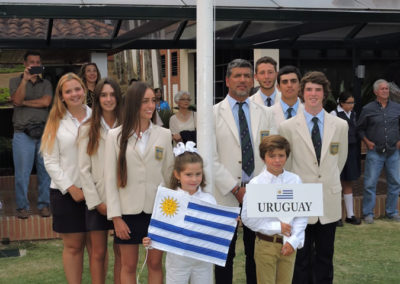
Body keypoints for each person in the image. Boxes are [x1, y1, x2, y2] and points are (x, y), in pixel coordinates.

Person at [279, 71, 348, 284]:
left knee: (325, 256)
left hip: (328, 199)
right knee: (301, 257)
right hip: (301, 199)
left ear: (324, 93)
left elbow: (340, 160)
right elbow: (286, 167)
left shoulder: (340, 125)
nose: (313, 94)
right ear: (302, 93)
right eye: (309, 89)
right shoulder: (287, 127)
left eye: (318, 89)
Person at [213, 58, 276, 284]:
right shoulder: (211, 114)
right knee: (224, 256)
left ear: (253, 80)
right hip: (224, 194)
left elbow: (273, 154)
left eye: (246, 76)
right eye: (237, 76)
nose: (242, 80)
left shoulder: (266, 114)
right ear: (228, 80)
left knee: (256, 254)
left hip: (259, 194)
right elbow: (209, 158)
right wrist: (235, 188)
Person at [104, 82, 174, 284]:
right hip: (127, 212)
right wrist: (116, 217)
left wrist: (169, 213)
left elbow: (170, 176)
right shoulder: (114, 136)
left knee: (154, 264)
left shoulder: (164, 134)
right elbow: (110, 179)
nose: (151, 105)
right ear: (134, 103)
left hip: (157, 211)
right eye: (145, 101)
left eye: (154, 100)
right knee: (128, 265)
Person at [41, 73, 92, 284]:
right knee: (73, 247)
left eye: (77, 89)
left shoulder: (97, 117)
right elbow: (50, 162)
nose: (74, 94)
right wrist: (71, 188)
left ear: (84, 90)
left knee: (97, 249)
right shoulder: (55, 122)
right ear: (61, 96)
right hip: (66, 194)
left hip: (95, 193)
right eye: (68, 91)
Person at [143, 141, 216, 284]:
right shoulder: (169, 201)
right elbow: (161, 229)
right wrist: (150, 241)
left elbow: (215, 229)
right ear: (177, 174)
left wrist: (227, 223)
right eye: (188, 174)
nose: (194, 179)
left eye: (198, 174)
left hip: (203, 260)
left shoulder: (209, 200)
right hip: (177, 260)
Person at [241, 135, 308, 284]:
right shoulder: (256, 184)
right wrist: (277, 227)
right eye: (272, 156)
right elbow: (247, 218)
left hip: (289, 244)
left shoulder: (295, 180)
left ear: (287, 156)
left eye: (281, 155)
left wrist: (294, 241)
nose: (277, 160)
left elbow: (302, 214)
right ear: (263, 157)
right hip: (265, 246)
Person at [78, 78, 123, 284]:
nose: (108, 99)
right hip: (98, 201)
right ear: (97, 99)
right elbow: (83, 170)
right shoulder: (87, 129)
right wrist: (96, 203)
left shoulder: (128, 125)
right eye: (104, 95)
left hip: (124, 199)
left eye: (112, 94)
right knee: (98, 253)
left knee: (122, 252)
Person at [9, 50, 52, 219]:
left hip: (43, 133)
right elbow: (16, 99)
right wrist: (25, 81)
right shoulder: (15, 81)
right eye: (32, 62)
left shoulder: (46, 83)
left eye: (38, 61)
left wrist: (24, 103)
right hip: (22, 134)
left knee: (45, 172)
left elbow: (46, 102)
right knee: (22, 174)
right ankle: (22, 207)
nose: (35, 64)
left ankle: (44, 205)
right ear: (25, 64)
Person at [357, 79, 400, 224]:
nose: (385, 91)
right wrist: (367, 142)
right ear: (376, 92)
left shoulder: (396, 107)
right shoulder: (368, 109)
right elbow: (360, 129)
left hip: (393, 151)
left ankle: (392, 212)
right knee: (370, 183)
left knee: (395, 182)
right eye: (382, 89)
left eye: (387, 89)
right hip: (375, 151)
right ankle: (368, 213)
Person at [330, 91, 361, 226]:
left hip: (352, 150)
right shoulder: (333, 114)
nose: (352, 105)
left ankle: (350, 215)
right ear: (341, 103)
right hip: (338, 151)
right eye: (349, 103)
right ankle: (335, 216)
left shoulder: (353, 114)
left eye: (353, 102)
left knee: (348, 182)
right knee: (335, 183)